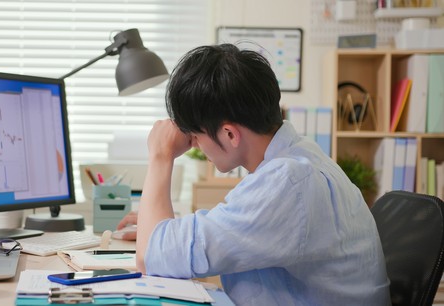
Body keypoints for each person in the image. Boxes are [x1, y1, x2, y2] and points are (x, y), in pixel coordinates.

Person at [117, 43, 390, 305]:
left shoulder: (286, 182)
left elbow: (152, 257)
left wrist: (160, 155)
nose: (195, 145)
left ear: (229, 134)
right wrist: (155, 228)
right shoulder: (299, 156)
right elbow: (224, 227)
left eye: (196, 136)